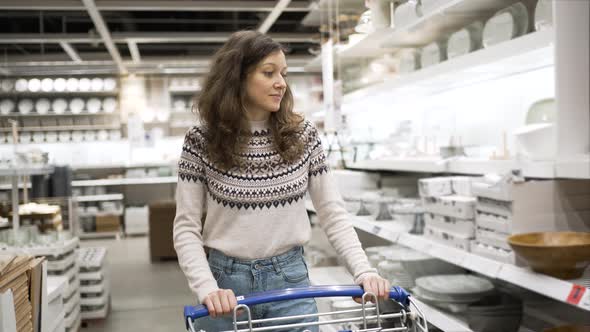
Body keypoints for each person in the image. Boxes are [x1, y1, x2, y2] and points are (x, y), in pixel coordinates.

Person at [173, 30, 390, 332]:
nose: (281, 83)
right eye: (269, 72)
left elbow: (333, 213)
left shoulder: (303, 136)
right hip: (226, 288)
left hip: (291, 284)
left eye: (283, 74)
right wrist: (207, 288)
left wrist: (364, 271)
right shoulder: (201, 141)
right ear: (237, 77)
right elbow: (186, 227)